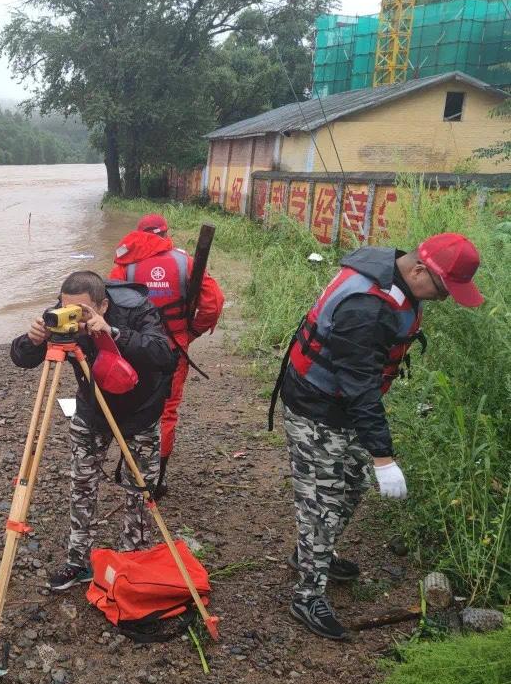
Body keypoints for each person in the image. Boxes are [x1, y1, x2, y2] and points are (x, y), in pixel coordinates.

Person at [270, 234, 484, 639]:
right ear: (420, 269)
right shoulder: (367, 308)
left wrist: (374, 460)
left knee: (353, 483)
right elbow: (359, 389)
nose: (443, 298)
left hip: (343, 402)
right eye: (442, 289)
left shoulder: (397, 272)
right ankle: (307, 595)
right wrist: (383, 458)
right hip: (318, 405)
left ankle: (311, 555)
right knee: (324, 497)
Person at [10, 271, 177, 591]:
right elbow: (21, 359)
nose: (72, 318)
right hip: (92, 409)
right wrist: (30, 340)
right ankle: (78, 562)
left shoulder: (135, 309)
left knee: (139, 491)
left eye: (82, 312)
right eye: (65, 307)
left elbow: (164, 355)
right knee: (82, 486)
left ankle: (132, 562)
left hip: (141, 412)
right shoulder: (62, 314)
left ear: (102, 305)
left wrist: (114, 333)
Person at [109, 213, 224, 490]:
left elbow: (110, 307)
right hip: (174, 349)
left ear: (140, 234)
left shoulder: (126, 264)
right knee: (167, 410)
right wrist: (192, 332)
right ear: (164, 234)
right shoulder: (185, 262)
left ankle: (130, 466)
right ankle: (157, 480)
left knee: (132, 403)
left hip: (135, 348)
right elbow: (213, 303)